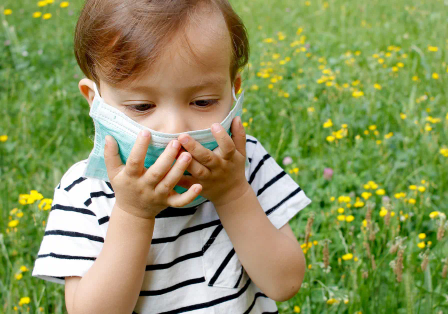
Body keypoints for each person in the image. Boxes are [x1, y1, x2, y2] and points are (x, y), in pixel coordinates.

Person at [31, 0, 312, 313]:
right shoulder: (85, 192)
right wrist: (134, 213)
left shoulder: (243, 163)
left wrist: (233, 194)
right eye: (142, 106)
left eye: (203, 102)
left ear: (233, 91)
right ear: (94, 99)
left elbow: (285, 283)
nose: (177, 130)